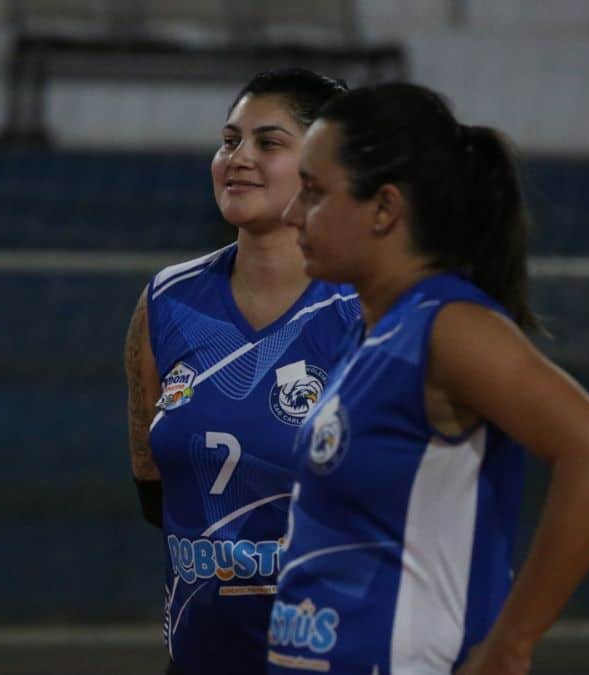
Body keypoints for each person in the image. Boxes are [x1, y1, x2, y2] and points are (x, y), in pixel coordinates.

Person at [270, 83, 589, 675]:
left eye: (314, 193)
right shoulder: (363, 335)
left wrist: (510, 645)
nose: (292, 213)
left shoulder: (451, 328)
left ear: (385, 208)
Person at [123, 68, 358, 675]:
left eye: (268, 142)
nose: (238, 157)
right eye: (229, 141)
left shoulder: (369, 310)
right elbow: (153, 484)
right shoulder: (167, 300)